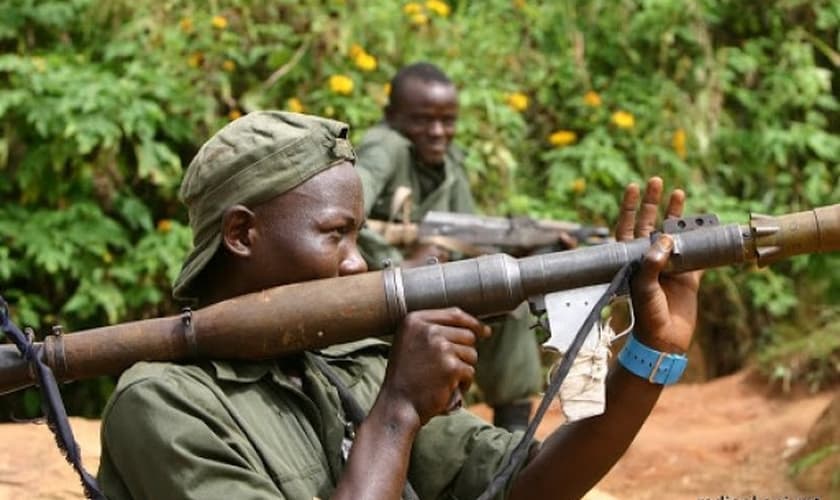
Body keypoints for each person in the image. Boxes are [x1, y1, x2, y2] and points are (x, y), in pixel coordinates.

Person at [97, 110, 701, 500]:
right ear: (241, 234)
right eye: (334, 234)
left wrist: (652, 357)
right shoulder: (164, 405)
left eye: (358, 236)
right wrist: (397, 411)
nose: (357, 262)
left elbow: (526, 489)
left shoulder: (342, 362)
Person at [355, 62, 541, 431]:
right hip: (377, 289)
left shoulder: (450, 165)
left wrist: (507, 252)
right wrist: (397, 264)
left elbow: (466, 236)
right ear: (392, 117)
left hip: (432, 286)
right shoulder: (385, 147)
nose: (438, 133)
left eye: (448, 121)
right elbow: (344, 210)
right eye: (422, 120)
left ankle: (513, 439)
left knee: (511, 306)